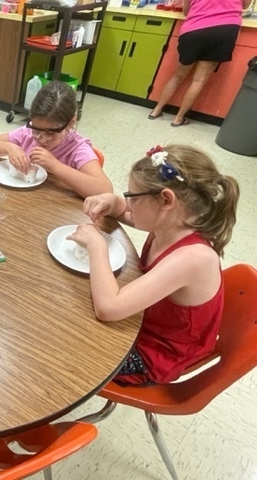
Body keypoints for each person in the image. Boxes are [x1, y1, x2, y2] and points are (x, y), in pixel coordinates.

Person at [69, 145, 239, 385]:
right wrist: (113, 202)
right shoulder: (174, 223)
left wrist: (97, 247)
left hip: (156, 353)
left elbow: (108, 308)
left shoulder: (193, 259)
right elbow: (128, 214)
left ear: (166, 200)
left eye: (133, 198)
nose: (129, 206)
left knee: (63, 346)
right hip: (143, 321)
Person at [0, 81, 112, 198]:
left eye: (51, 133)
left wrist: (54, 166)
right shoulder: (27, 133)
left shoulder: (77, 148)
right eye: (36, 130)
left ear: (71, 123)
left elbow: (105, 191)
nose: (41, 139)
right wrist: (10, 147)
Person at [148, 0, 252, 127]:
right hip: (225, 30)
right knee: (199, 80)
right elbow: (245, 5)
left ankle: (156, 110)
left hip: (194, 30)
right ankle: (178, 118)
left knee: (178, 76)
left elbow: (186, 11)